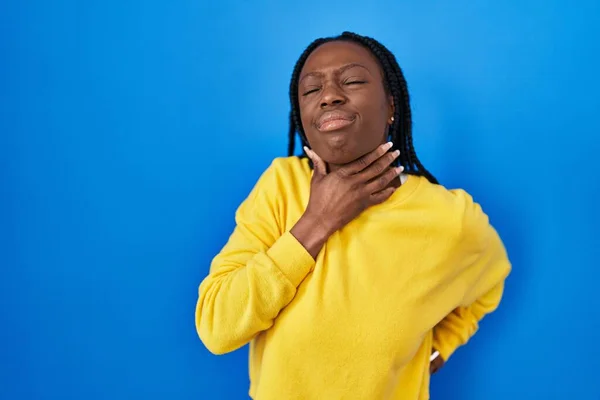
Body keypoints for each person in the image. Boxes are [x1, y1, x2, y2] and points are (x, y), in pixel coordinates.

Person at [195, 31, 511, 400]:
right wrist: (317, 221)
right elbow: (217, 327)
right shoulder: (281, 186)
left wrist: (445, 341)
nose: (329, 95)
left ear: (391, 105)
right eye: (311, 91)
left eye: (353, 81)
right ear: (302, 118)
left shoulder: (448, 216)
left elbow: (491, 277)